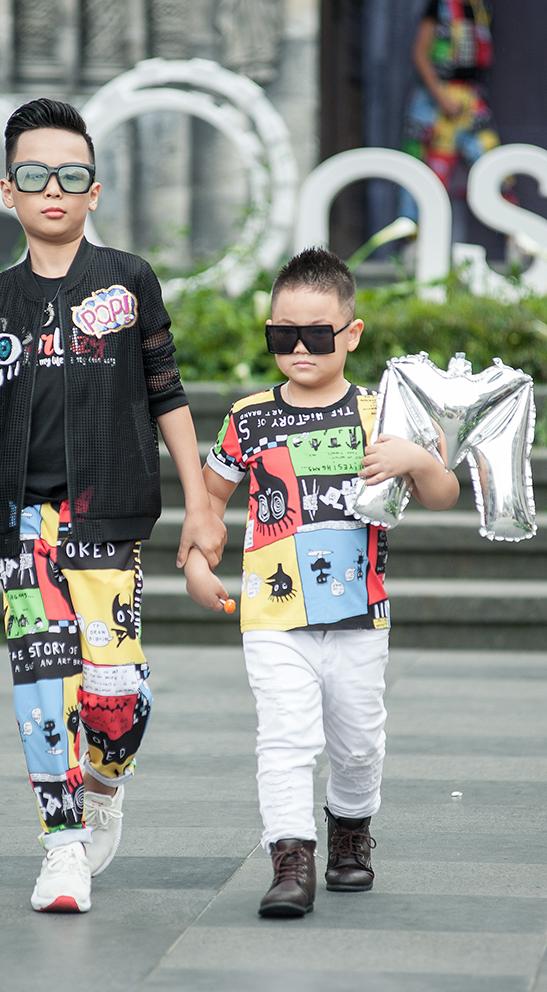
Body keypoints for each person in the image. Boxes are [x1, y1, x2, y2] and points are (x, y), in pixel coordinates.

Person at [0, 98, 225, 914]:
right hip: (20, 523)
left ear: (95, 190)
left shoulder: (128, 281)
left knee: (115, 698)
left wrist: (201, 506)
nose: (53, 189)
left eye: (71, 175)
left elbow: (166, 395)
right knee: (41, 687)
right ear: (8, 191)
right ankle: (60, 846)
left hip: (109, 516)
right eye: (34, 175)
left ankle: (103, 782)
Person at [184, 248, 459, 918]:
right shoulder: (249, 416)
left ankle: (350, 832)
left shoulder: (383, 414)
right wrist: (195, 559)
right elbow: (209, 496)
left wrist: (418, 458)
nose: (300, 348)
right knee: (285, 736)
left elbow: (444, 494)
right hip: (273, 614)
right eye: (284, 335)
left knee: (358, 741)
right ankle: (291, 858)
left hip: (360, 614)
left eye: (317, 333)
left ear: (352, 333)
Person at [401, 0, 512, 238]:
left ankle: (517, 238)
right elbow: (420, 54)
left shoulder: (481, 8)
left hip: (471, 100)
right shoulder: (439, 6)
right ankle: (414, 242)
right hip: (435, 104)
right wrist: (441, 96)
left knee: (495, 168)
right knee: (427, 177)